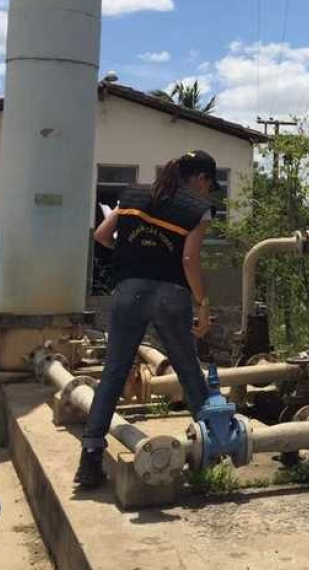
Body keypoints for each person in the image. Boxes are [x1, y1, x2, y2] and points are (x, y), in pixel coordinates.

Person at [75, 150, 219, 488]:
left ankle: (91, 457)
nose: (206, 191)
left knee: (114, 372)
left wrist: (132, 257)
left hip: (129, 292)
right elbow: (188, 258)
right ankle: (210, 451)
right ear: (200, 178)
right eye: (208, 184)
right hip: (172, 295)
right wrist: (203, 303)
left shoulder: (133, 195)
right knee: (188, 370)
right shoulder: (198, 210)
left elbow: (101, 235)